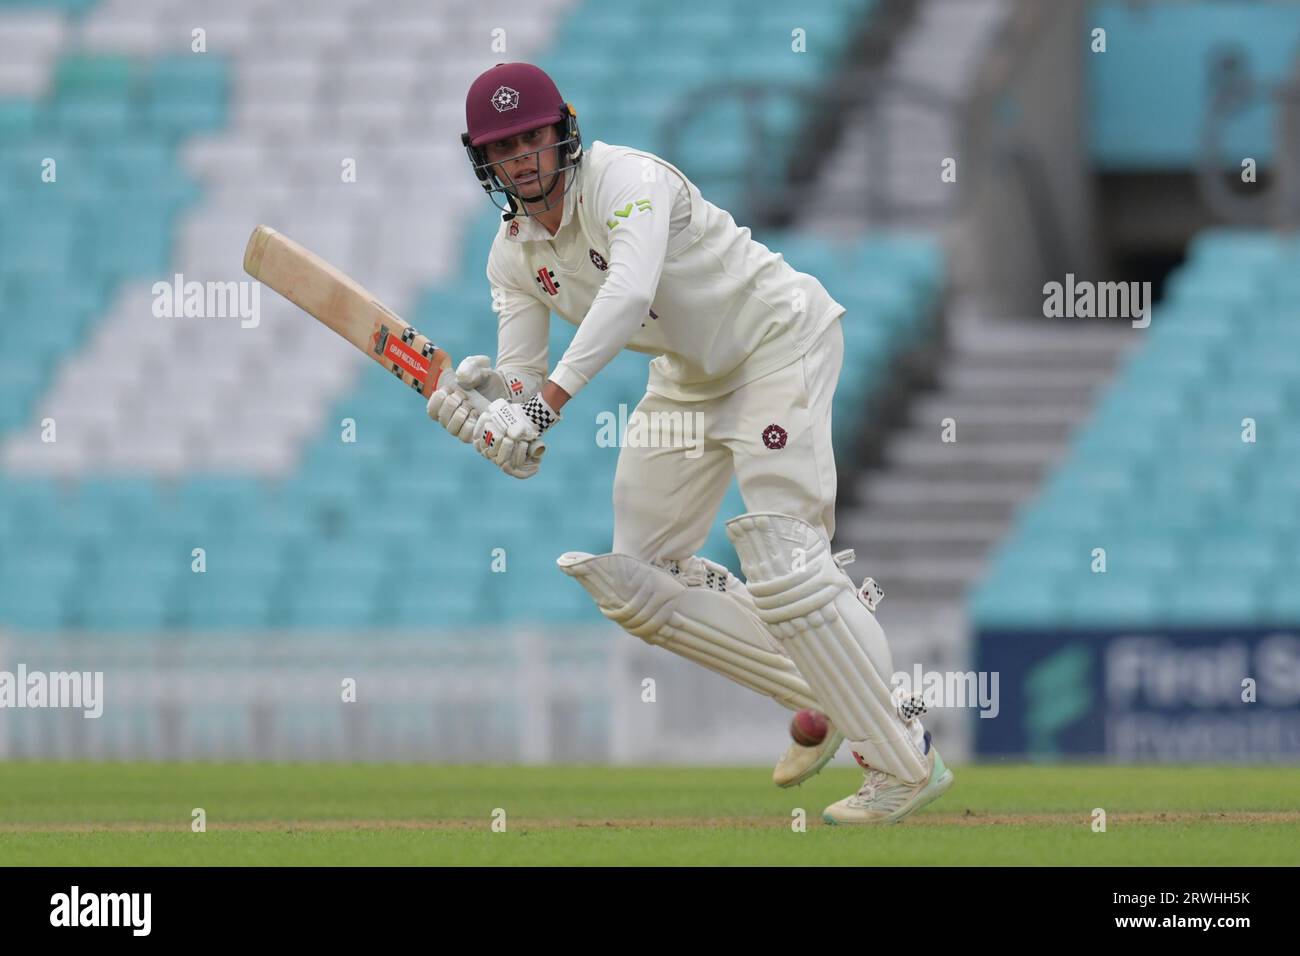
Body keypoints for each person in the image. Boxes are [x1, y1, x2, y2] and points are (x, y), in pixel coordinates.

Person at [427, 62, 952, 824]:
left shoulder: (628, 180)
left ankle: (904, 760)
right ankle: (828, 694)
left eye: (533, 138)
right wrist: (489, 415)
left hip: (775, 339)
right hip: (690, 379)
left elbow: (630, 293)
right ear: (484, 161)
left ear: (563, 132)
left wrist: (540, 409)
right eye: (503, 148)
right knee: (635, 578)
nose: (522, 160)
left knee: (783, 555)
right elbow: (521, 382)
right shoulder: (512, 257)